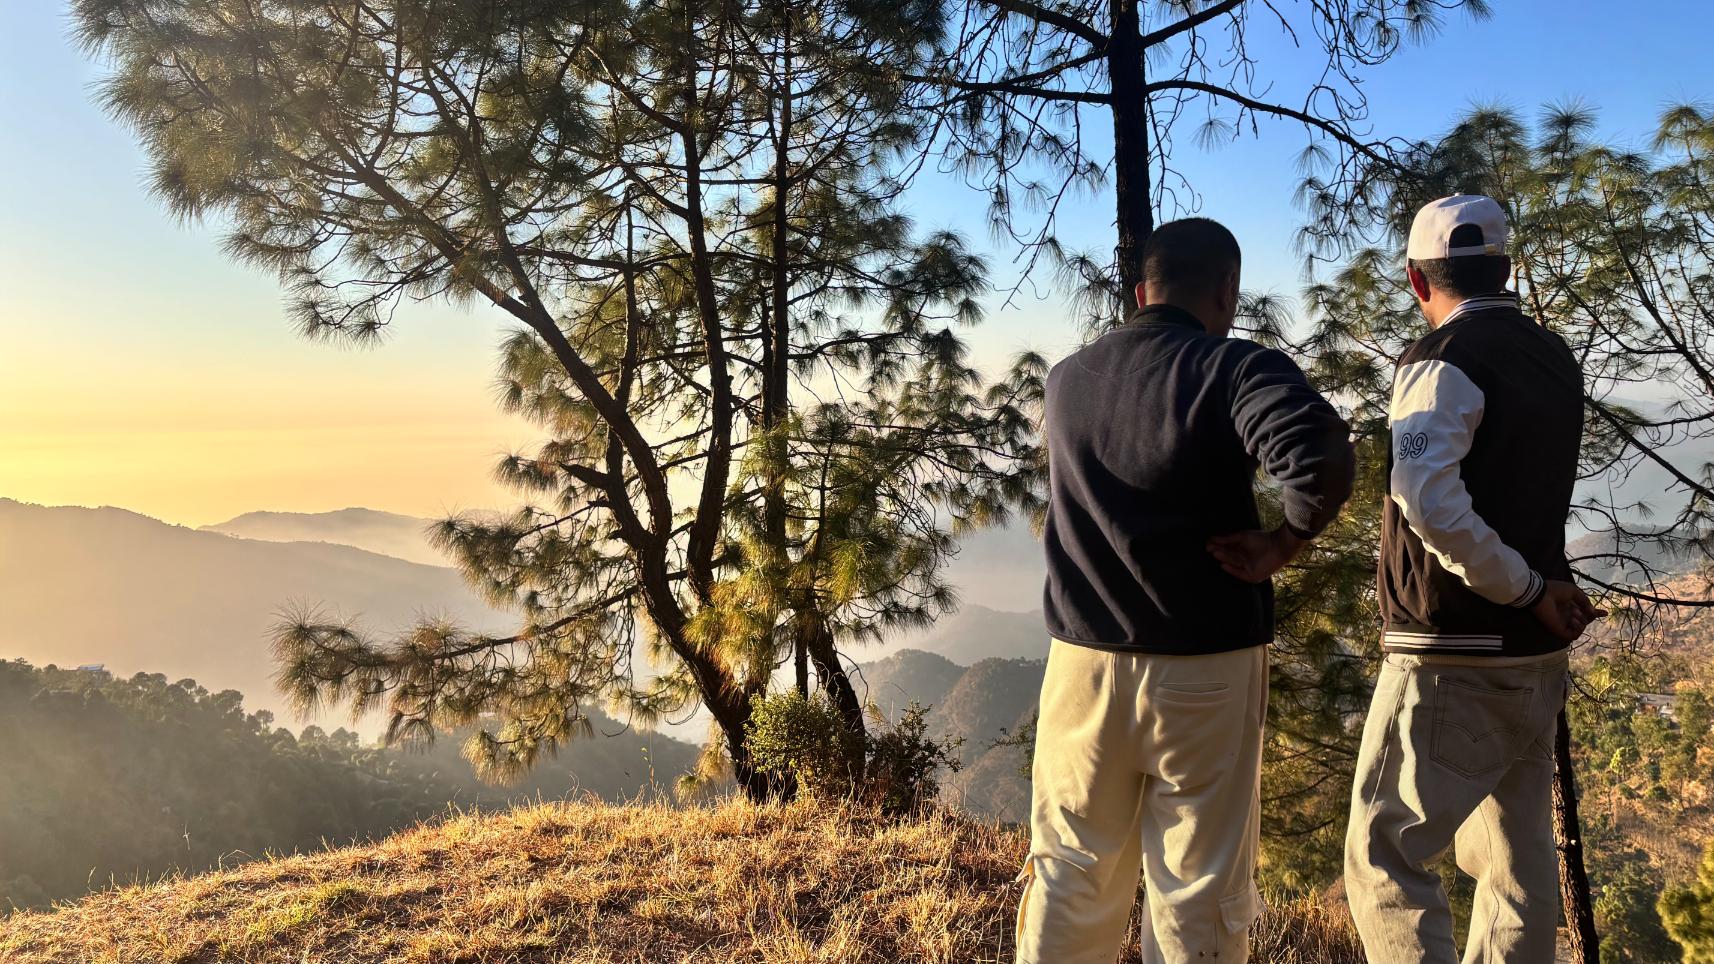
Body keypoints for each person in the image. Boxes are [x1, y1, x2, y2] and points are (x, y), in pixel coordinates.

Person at [1018, 217, 1357, 964]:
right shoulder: (1230, 368)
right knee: (1197, 893)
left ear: (1141, 291)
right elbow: (1320, 457)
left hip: (1080, 665)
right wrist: (1283, 542)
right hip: (1204, 667)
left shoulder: (1067, 378)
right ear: (1227, 292)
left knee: (1069, 875)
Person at [1343, 194, 1599, 964]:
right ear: (1506, 270)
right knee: (1516, 859)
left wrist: (1521, 587)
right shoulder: (1552, 357)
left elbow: (1426, 497)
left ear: (1418, 282)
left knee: (1384, 855)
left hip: (1453, 651)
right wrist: (1537, 592)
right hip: (1532, 656)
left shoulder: (1442, 358)